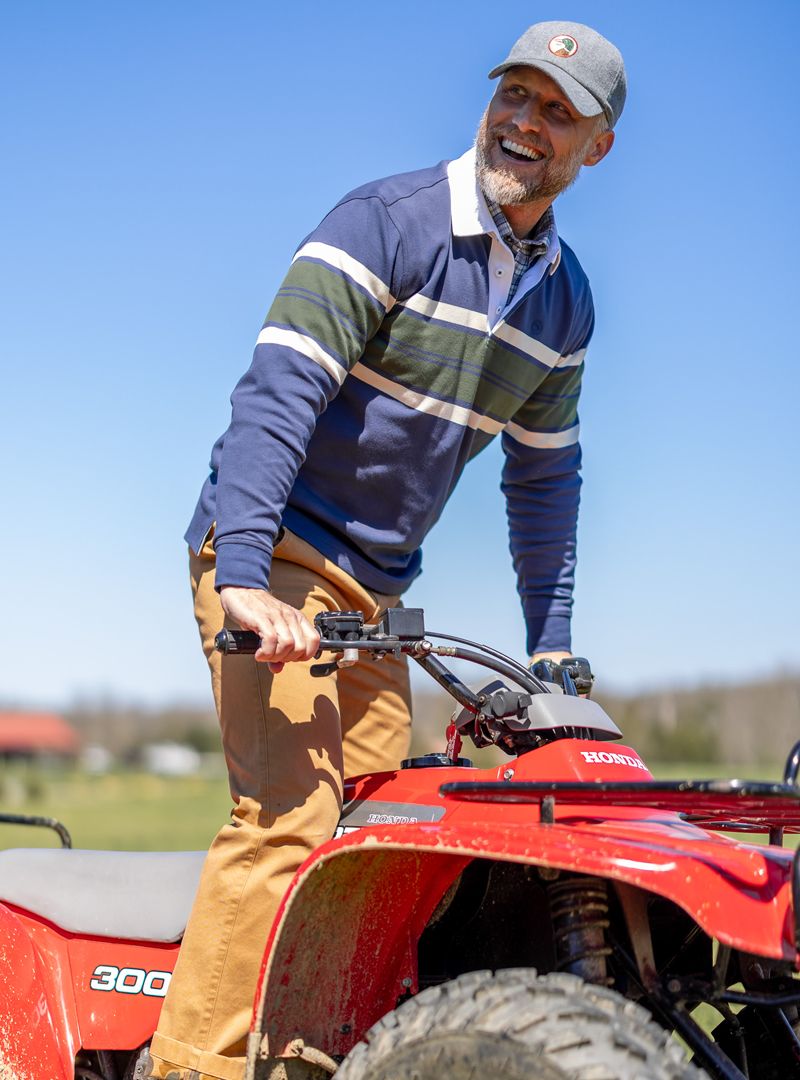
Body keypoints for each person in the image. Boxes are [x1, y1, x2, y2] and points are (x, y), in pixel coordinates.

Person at [147, 19, 626, 1080]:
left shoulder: (564, 301)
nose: (521, 123)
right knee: (286, 821)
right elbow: (278, 395)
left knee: (382, 842)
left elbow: (542, 477)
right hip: (272, 552)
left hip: (372, 593)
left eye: (554, 112)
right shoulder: (385, 222)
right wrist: (239, 580)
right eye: (512, 96)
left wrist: (550, 651)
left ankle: (319, 1063)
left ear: (593, 146)